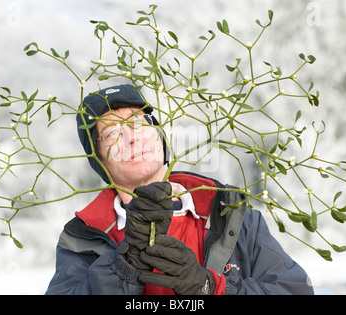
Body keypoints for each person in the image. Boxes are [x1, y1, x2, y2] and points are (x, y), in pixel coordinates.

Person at [45, 84, 314, 295]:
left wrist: (210, 288)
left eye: (138, 122)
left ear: (159, 135)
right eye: (112, 133)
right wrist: (123, 265)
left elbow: (295, 290)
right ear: (99, 160)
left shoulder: (228, 211)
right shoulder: (82, 237)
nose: (132, 136)